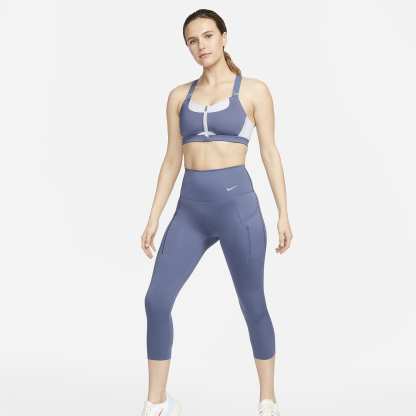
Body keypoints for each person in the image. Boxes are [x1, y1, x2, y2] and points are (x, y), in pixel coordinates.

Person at [139, 8, 292, 416]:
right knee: (156, 301)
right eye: (192, 40)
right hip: (190, 212)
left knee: (252, 303)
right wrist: (154, 216)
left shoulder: (254, 91)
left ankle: (267, 400)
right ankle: (157, 403)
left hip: (238, 209)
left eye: (208, 36)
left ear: (223, 37)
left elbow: (270, 153)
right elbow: (171, 159)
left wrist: (283, 212)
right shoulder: (178, 97)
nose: (201, 45)